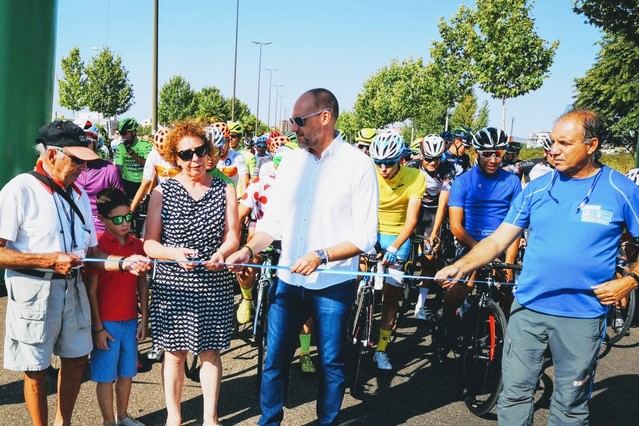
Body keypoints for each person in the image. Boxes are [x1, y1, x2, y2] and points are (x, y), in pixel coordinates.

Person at [436, 110, 639, 425]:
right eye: (552, 142)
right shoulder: (536, 189)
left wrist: (630, 280)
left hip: (583, 316)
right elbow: (500, 238)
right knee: (513, 394)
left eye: (564, 143)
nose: (553, 150)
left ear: (592, 145)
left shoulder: (621, 190)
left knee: (570, 406)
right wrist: (460, 265)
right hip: (528, 309)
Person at [227, 88, 378, 425]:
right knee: (273, 360)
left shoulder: (358, 165)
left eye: (299, 120)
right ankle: (270, 421)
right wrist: (249, 249)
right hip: (288, 281)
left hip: (333, 284)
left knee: (331, 363)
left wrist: (321, 255)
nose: (293, 127)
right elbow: (274, 222)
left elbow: (366, 236)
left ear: (324, 117)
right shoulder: (292, 161)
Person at [0, 120, 148, 426]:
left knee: (78, 359)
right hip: (35, 290)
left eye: (85, 160)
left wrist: (123, 262)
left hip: (74, 287)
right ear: (52, 155)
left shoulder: (78, 193)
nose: (83, 168)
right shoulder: (19, 189)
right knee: (36, 369)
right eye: (76, 160)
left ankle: (62, 422)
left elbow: (92, 254)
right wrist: (48, 260)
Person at [143, 120, 239, 426]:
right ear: (175, 158)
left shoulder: (226, 189)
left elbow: (233, 236)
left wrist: (223, 253)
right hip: (174, 284)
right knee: (174, 354)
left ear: (208, 151)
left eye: (199, 151)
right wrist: (174, 254)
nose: (194, 158)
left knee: (210, 352)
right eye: (186, 154)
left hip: (214, 281)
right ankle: (174, 416)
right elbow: (149, 244)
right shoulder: (162, 191)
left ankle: (210, 418)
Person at [444, 127, 521, 332]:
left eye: (499, 153)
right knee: (459, 290)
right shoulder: (463, 182)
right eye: (487, 154)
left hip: (502, 244)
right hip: (470, 242)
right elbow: (455, 226)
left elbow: (516, 226)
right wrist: (482, 252)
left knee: (509, 295)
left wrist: (508, 263)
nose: (494, 159)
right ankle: (446, 327)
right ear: (477, 153)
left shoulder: (512, 182)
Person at [86, 188, 148, 426]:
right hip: (107, 323)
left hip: (130, 319)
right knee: (105, 377)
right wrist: (98, 327)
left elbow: (142, 281)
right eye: (118, 219)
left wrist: (144, 318)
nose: (125, 223)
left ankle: (123, 416)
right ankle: (108, 421)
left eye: (128, 217)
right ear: (102, 219)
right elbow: (91, 290)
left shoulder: (135, 244)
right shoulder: (99, 246)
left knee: (127, 373)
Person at [369, 130, 426, 370]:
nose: (383, 168)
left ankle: (381, 349)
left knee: (391, 296)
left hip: (397, 234)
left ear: (400, 159)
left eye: (389, 163)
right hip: (370, 229)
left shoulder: (415, 176)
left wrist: (394, 246)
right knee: (355, 282)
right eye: (379, 163)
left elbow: (412, 220)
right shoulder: (369, 173)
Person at [413, 134, 455, 320]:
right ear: (421, 155)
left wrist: (435, 232)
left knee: (429, 259)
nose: (432, 163)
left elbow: (443, 204)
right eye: (428, 158)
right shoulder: (412, 167)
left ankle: (420, 306)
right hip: (415, 209)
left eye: (436, 158)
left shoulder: (447, 169)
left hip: (434, 212)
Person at [75, 129, 125, 234]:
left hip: (102, 230)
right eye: (79, 142)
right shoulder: (70, 169)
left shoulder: (110, 170)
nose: (83, 146)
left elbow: (121, 205)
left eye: (87, 142)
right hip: (76, 227)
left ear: (95, 144)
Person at [114, 118, 152, 201]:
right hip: (127, 184)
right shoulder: (121, 147)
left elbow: (148, 165)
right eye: (121, 134)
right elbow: (118, 169)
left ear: (133, 132)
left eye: (124, 133)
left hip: (144, 183)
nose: (122, 136)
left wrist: (132, 154)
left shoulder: (146, 146)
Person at [215, 121, 249, 197]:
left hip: (231, 199)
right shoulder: (207, 156)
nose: (220, 147)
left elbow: (245, 182)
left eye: (222, 142)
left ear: (228, 141)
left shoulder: (236, 157)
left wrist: (244, 200)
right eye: (216, 143)